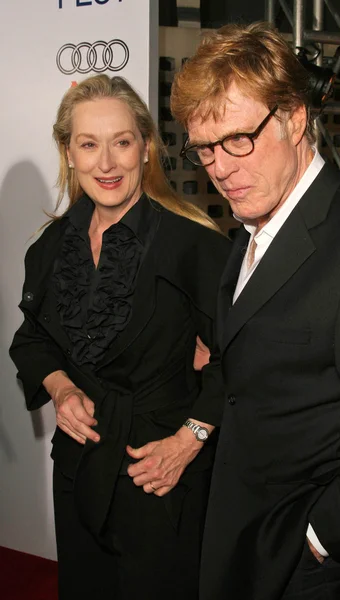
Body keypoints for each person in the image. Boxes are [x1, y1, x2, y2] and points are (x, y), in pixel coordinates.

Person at [170, 21, 340, 600]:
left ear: (296, 117)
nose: (220, 168)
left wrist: (327, 537)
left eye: (238, 140)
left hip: (322, 568)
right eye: (204, 149)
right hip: (247, 539)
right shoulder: (253, 226)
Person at [9, 74, 230, 600]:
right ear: (68, 152)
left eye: (122, 142)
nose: (106, 163)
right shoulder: (48, 248)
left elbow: (240, 357)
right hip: (79, 472)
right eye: (88, 144)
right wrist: (61, 388)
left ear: (146, 148)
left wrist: (188, 440)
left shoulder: (195, 246)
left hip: (161, 476)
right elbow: (31, 339)